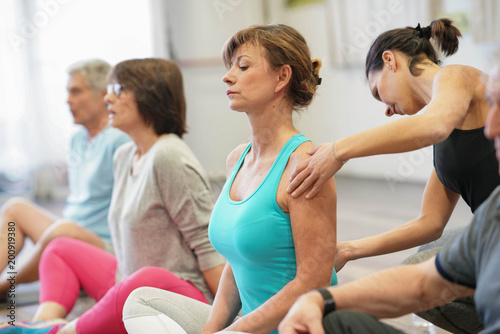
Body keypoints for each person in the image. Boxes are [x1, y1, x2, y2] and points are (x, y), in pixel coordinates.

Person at [121, 24, 338, 334]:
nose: (228, 76)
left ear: (282, 77)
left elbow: (312, 284)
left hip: (294, 328)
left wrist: (233, 332)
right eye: (230, 66)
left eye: (243, 65)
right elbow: (235, 266)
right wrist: (212, 330)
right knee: (139, 300)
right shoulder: (237, 159)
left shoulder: (305, 166)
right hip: (246, 326)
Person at [286, 19, 498, 332]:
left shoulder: (456, 76)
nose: (386, 109)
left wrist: (337, 151)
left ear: (390, 60)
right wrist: (350, 250)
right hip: (493, 227)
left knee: (422, 267)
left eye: (377, 92)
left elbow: (432, 126)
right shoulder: (443, 140)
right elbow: (430, 223)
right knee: (425, 257)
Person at [0, 58, 226, 334]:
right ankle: (42, 323)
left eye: (117, 89)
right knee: (60, 249)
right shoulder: (125, 155)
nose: (107, 97)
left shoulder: (169, 156)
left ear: (148, 96)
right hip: (130, 281)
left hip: (178, 292)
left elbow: (207, 245)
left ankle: (59, 333)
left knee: (146, 278)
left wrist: (227, 317)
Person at [0, 59, 130, 295]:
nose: (68, 100)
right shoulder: (77, 139)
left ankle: (5, 287)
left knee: (64, 231)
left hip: (104, 245)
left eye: (76, 92)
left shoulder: (119, 140)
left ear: (103, 95)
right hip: (70, 230)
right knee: (14, 208)